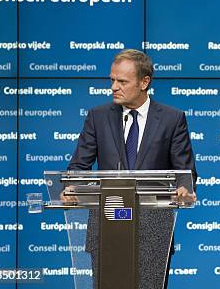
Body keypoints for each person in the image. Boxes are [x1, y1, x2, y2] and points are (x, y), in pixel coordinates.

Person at [65, 49, 197, 289]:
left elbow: (185, 172)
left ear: (144, 82)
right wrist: (71, 187)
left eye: (122, 81)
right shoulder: (98, 117)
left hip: (154, 232)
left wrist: (184, 189)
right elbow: (78, 167)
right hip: (108, 228)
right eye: (112, 80)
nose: (114, 87)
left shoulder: (172, 119)